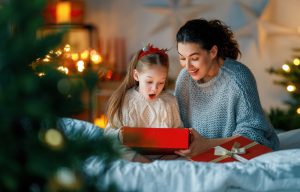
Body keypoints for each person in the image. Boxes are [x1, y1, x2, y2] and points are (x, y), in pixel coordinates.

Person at [174, 18, 280, 158]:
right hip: (203, 156)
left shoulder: (238, 79)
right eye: (182, 58)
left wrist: (206, 145)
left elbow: (254, 137)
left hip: (245, 154)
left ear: (213, 52)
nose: (187, 66)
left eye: (194, 58)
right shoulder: (184, 79)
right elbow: (178, 124)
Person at [104, 44, 183, 163]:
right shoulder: (125, 100)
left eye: (161, 82)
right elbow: (108, 137)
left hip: (165, 159)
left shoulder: (170, 102)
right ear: (136, 75)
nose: (155, 88)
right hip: (133, 158)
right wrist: (121, 135)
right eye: (149, 81)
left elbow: (179, 135)